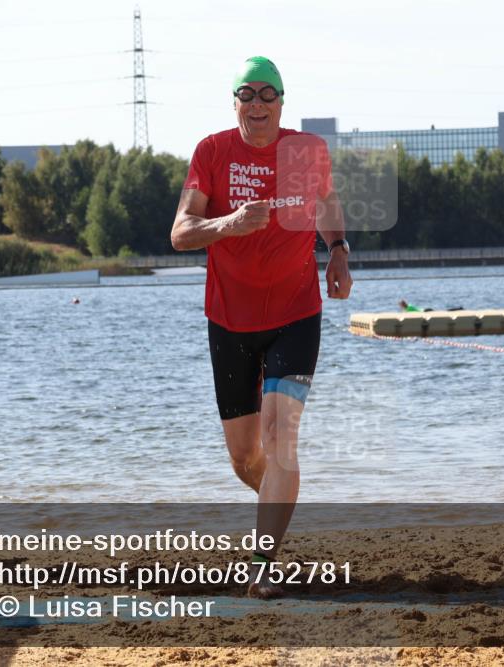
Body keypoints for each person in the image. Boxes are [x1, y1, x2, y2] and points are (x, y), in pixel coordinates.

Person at [170, 57, 352, 598]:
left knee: (280, 441)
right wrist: (228, 223)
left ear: (281, 102)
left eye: (267, 94)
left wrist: (338, 250)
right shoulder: (212, 151)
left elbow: (326, 202)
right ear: (234, 103)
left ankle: (263, 564)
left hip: (296, 314)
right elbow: (180, 233)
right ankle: (278, 499)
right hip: (229, 320)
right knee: (245, 457)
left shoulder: (306, 152)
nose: (257, 104)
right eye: (246, 94)